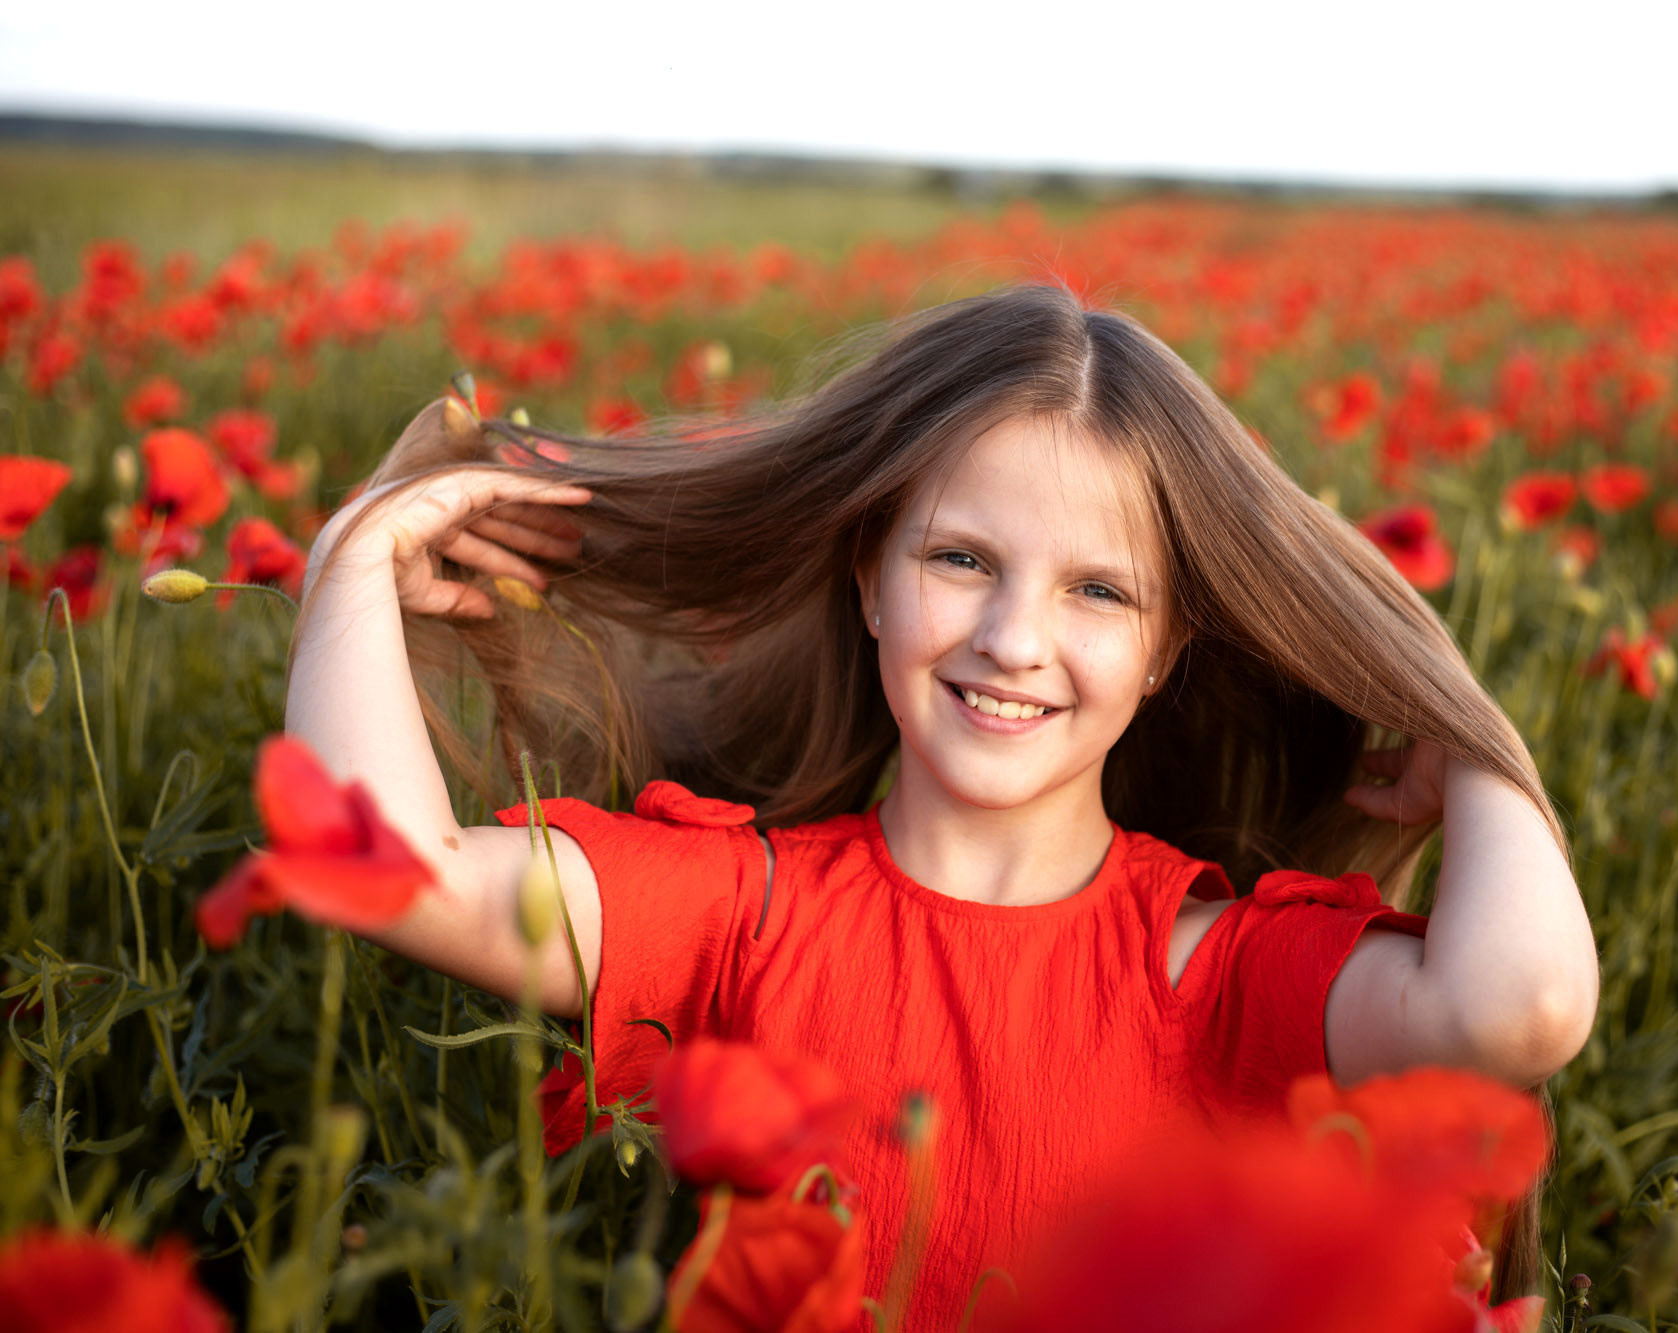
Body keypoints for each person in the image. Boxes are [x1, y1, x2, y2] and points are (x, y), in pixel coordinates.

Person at [288, 281, 1599, 1328]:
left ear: (1168, 647)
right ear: (869, 577)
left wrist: (1471, 745)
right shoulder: (749, 911)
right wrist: (350, 566)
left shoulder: (1218, 974)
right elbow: (388, 865)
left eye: (1100, 590)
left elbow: (1519, 1006)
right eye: (962, 559)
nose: (1014, 638)